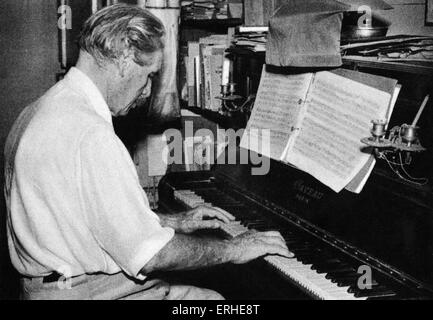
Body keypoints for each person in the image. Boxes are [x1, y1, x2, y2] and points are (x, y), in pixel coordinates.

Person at [3, 3, 291, 300]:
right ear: (126, 57)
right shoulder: (91, 135)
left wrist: (172, 222)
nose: (146, 91)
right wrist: (234, 248)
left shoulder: (41, 109)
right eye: (150, 75)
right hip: (87, 292)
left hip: (47, 287)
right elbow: (151, 255)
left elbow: (92, 218)